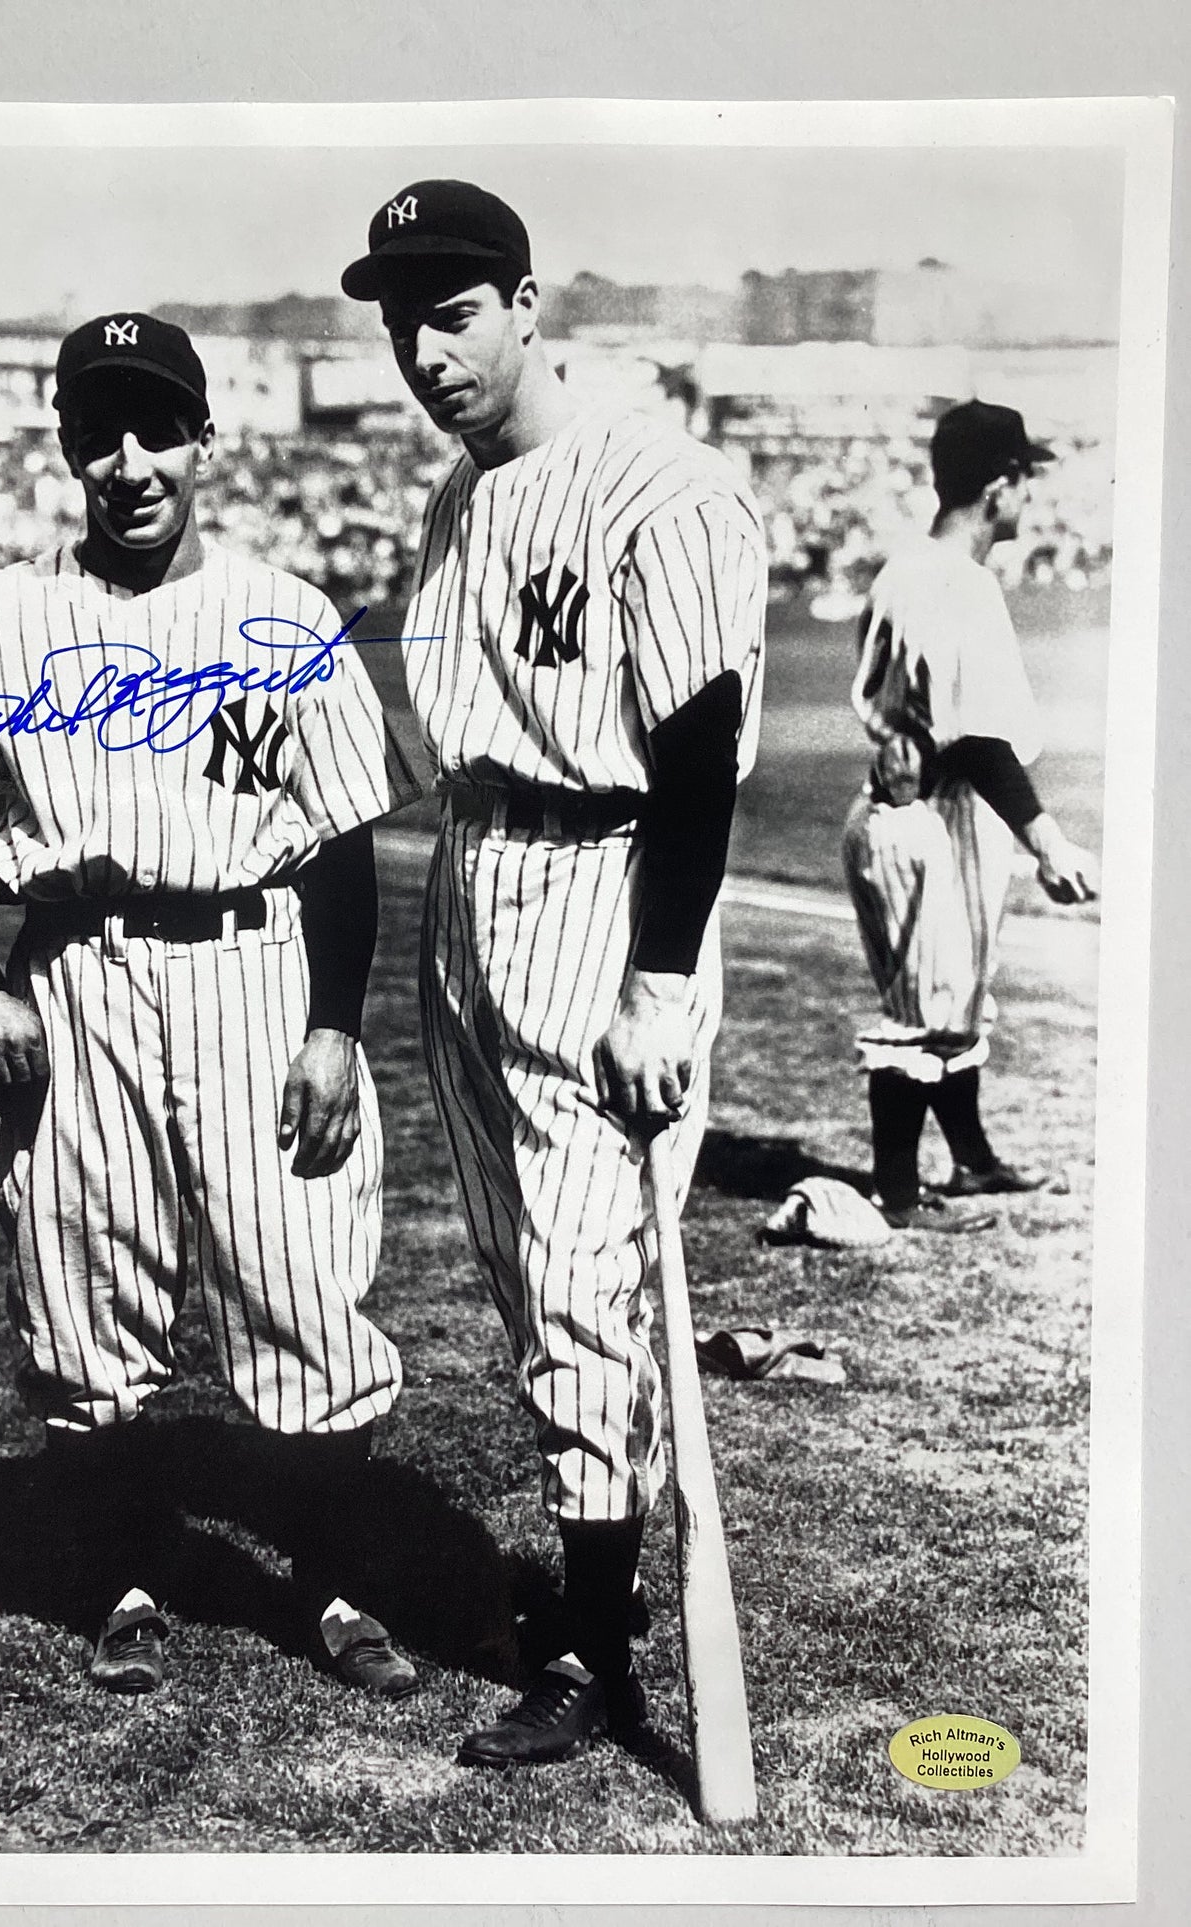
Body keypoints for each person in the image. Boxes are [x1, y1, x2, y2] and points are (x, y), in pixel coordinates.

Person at [0, 312, 421, 1698]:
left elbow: (342, 835)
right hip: (76, 977)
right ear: (64, 448)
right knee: (90, 1292)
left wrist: (336, 1022)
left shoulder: (283, 612)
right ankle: (119, 1576)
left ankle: (333, 1578)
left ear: (203, 440)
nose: (128, 459)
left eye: (156, 427)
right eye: (99, 431)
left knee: (301, 1278)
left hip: (252, 963)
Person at [340, 181, 768, 1765]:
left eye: (450, 311)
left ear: (528, 303)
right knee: (526, 1275)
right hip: (479, 877)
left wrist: (661, 981)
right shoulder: (461, 497)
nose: (424, 349)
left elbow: (703, 745)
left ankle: (595, 1651)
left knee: (594, 1282)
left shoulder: (659, 481)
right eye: (401, 321)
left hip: (605, 882)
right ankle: (603, 1583)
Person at [841, 399, 1100, 1230]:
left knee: (953, 998)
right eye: (1025, 478)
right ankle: (899, 1193)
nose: (1030, 496)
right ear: (998, 486)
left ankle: (972, 1161)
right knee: (926, 1004)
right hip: (926, 810)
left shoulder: (911, 570)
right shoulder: (951, 582)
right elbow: (980, 738)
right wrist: (1046, 839)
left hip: (929, 806)